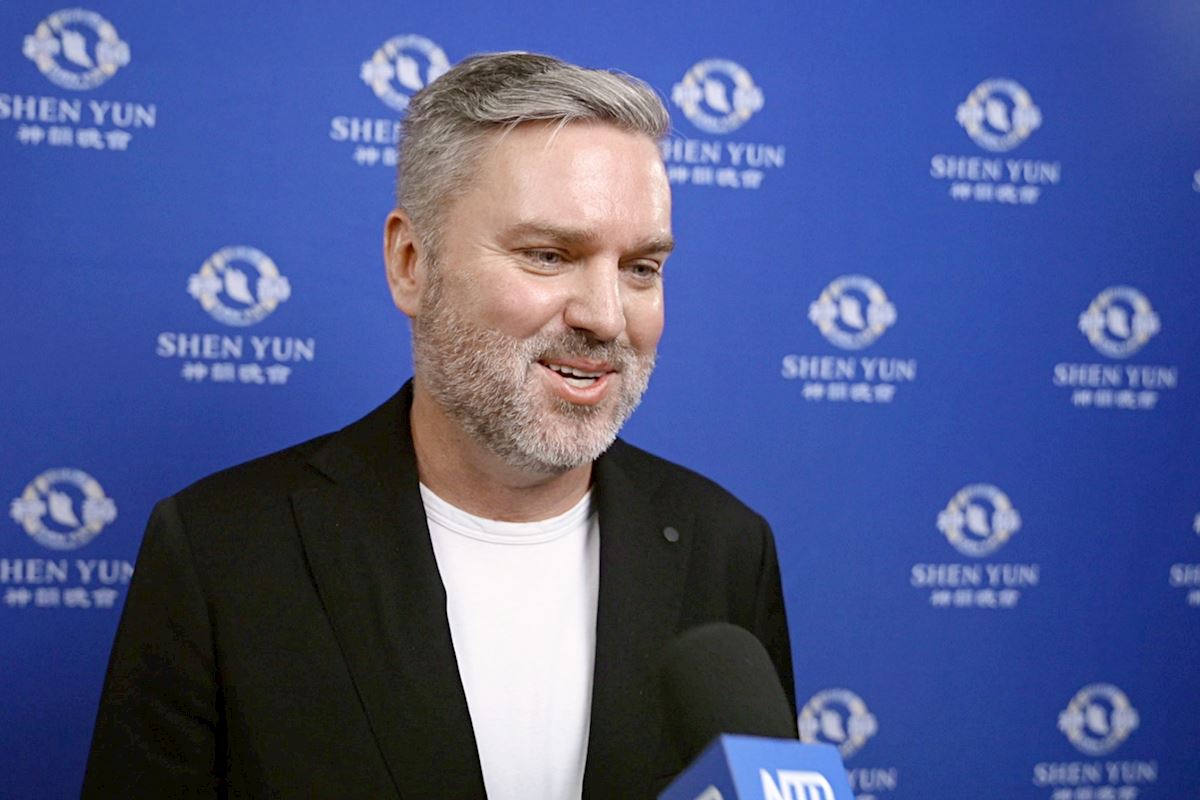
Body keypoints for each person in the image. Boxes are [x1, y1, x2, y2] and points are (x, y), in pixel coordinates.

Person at [82, 52, 794, 799]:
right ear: (410, 263)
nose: (606, 317)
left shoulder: (726, 549)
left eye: (641, 268)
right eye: (549, 255)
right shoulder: (222, 552)